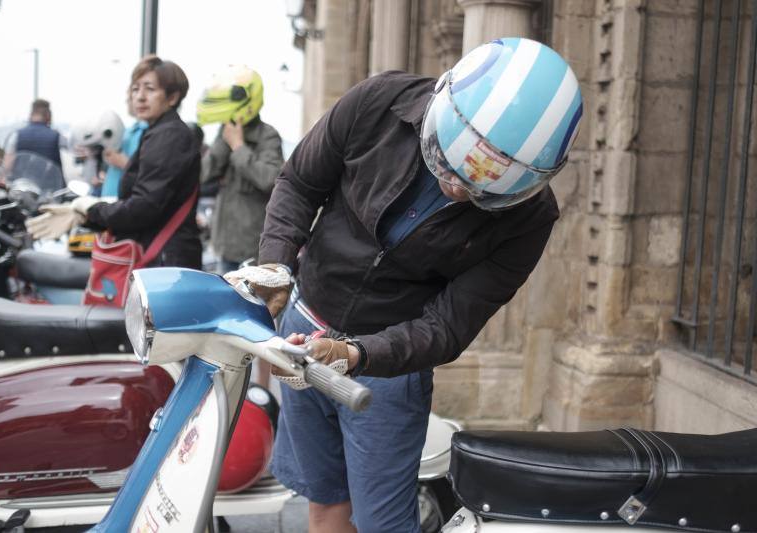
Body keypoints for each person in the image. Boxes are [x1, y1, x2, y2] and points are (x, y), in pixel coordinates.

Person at [226, 38, 584, 532]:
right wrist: (276, 266)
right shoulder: (379, 103)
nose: (455, 189)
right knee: (325, 502)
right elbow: (299, 184)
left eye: (478, 189)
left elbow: (448, 326)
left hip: (390, 363)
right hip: (303, 324)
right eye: (449, 166)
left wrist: (357, 354)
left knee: (383, 524)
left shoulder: (529, 218)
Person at [27, 55, 202, 270]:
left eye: (150, 89)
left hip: (165, 262)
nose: (140, 97)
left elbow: (143, 207)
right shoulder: (160, 132)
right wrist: (86, 215)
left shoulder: (168, 136)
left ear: (172, 97)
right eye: (135, 89)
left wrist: (92, 209)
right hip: (164, 257)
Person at [196, 65, 284, 273]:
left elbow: (270, 179)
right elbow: (204, 174)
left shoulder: (267, 136)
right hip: (224, 245)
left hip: (252, 249)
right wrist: (224, 144)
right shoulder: (225, 132)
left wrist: (238, 147)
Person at [101, 97, 149, 198]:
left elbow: (151, 175)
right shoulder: (127, 130)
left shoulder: (150, 133)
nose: (127, 102)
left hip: (127, 199)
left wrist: (124, 163)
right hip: (110, 197)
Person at [5, 99, 65, 170]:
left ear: (31, 114)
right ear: (48, 115)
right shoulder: (56, 136)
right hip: (50, 177)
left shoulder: (16, 135)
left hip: (23, 176)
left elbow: (7, 165)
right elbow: (72, 148)